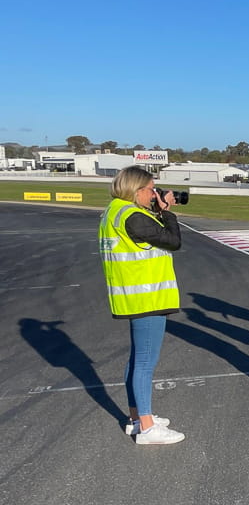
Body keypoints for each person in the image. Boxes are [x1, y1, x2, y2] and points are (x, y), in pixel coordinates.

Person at [98, 166, 185, 444]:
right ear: (136, 190)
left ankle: (137, 418)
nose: (153, 194)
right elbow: (172, 241)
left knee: (137, 360)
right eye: (150, 189)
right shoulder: (132, 215)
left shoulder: (115, 211)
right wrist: (168, 212)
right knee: (145, 362)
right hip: (147, 297)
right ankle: (147, 428)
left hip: (134, 295)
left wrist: (157, 211)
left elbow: (146, 239)